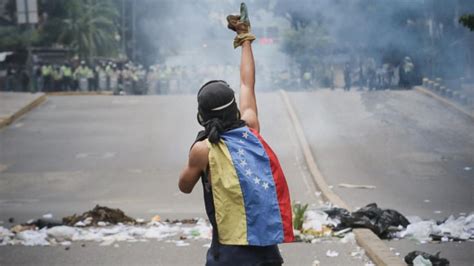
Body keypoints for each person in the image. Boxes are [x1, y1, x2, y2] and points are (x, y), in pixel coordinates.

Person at [179, 3, 293, 266]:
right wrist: (245, 40)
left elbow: (184, 186)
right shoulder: (250, 129)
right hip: (266, 252)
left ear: (202, 115)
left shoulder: (203, 150)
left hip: (228, 254)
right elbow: (246, 83)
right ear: (233, 108)